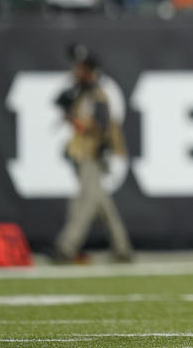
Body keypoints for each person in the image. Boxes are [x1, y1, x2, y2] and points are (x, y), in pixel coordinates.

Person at [51, 44, 132, 263]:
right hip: (82, 155)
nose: (76, 72)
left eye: (80, 69)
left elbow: (100, 127)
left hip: (93, 155)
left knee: (85, 203)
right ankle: (122, 248)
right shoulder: (82, 93)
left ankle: (67, 247)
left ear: (89, 70)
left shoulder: (97, 96)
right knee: (102, 204)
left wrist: (74, 121)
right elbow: (61, 101)